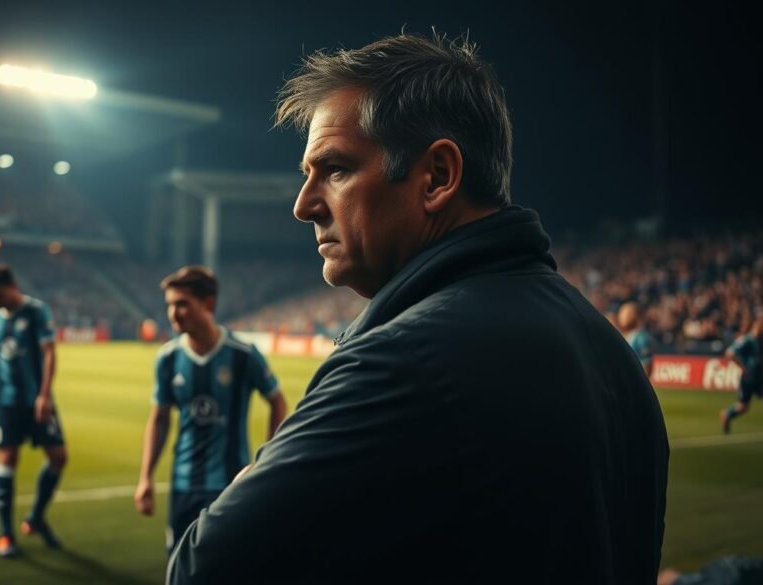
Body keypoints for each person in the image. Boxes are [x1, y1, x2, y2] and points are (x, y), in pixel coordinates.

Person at [167, 33, 669, 584]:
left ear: (436, 177)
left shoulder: (401, 362)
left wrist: (257, 471)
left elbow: (199, 569)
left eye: (334, 170)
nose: (303, 204)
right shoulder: (610, 353)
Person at [134, 265, 287, 556]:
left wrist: (269, 456)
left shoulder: (243, 355)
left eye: (182, 304)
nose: (173, 313)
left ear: (208, 303)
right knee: (179, 565)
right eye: (169, 305)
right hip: (184, 483)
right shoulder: (168, 358)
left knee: (229, 566)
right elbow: (160, 419)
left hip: (232, 483)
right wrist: (146, 478)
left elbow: (277, 400)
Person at [0, 264, 67, 558]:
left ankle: (35, 517)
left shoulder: (36, 311)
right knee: (7, 458)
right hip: (8, 402)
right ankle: (6, 534)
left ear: (11, 286)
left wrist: (44, 395)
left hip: (37, 399)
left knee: (59, 457)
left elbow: (50, 353)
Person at [720, 315, 763, 434]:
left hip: (759, 377)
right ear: (757, 324)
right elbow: (730, 353)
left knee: (744, 406)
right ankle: (727, 414)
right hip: (749, 378)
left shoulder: (760, 340)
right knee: (743, 407)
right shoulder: (747, 340)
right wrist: (743, 368)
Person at [619, 301, 655, 376]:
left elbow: (646, 366)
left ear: (635, 316)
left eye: (625, 313)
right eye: (621, 313)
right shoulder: (625, 336)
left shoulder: (641, 338)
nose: (621, 316)